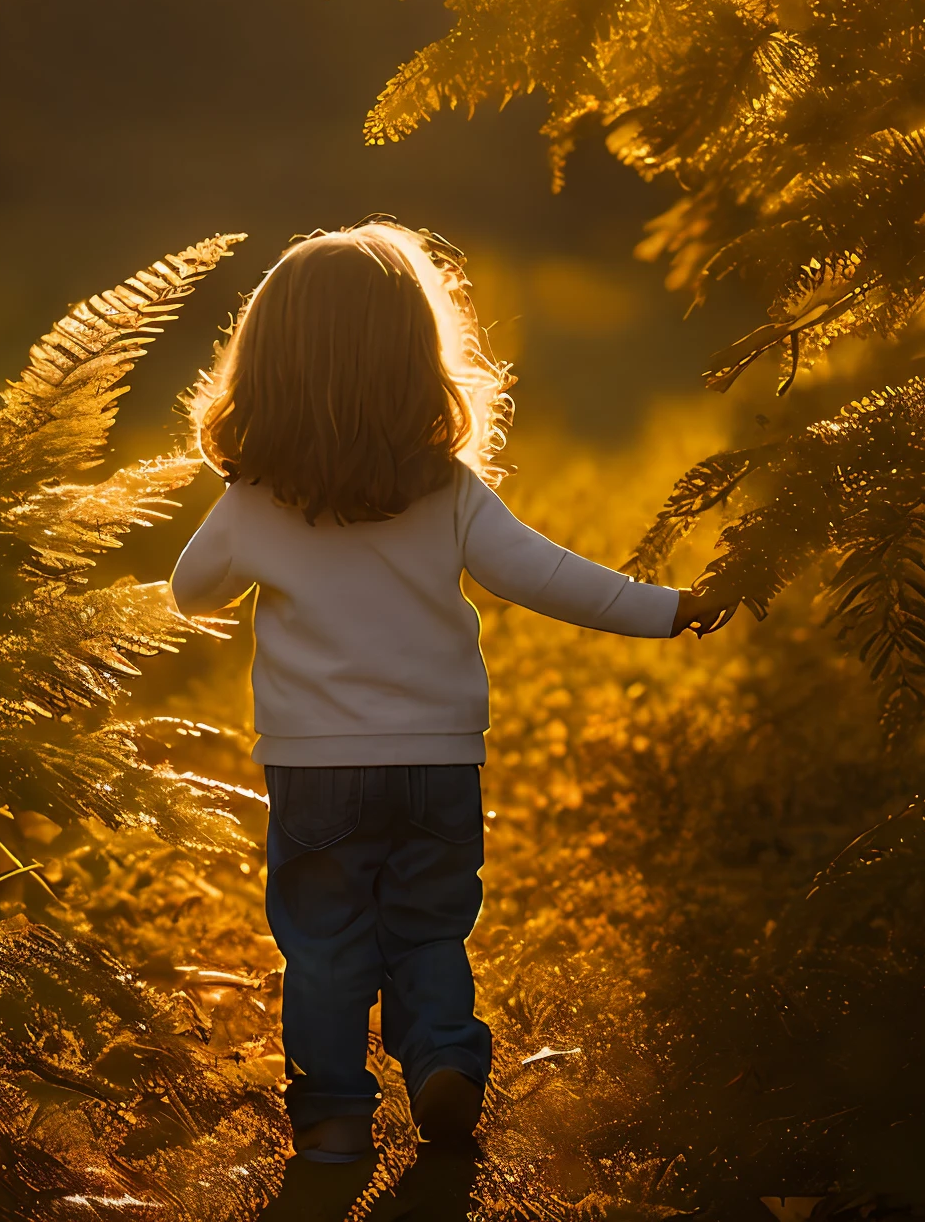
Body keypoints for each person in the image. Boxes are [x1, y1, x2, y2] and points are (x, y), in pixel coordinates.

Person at [171, 224, 735, 1169]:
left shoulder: (253, 501)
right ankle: (440, 1058)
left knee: (322, 943)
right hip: (438, 763)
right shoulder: (450, 491)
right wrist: (666, 609)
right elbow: (549, 575)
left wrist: (249, 532)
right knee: (428, 925)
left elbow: (192, 593)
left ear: (264, 365)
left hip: (315, 773)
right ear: (417, 360)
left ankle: (336, 1119)